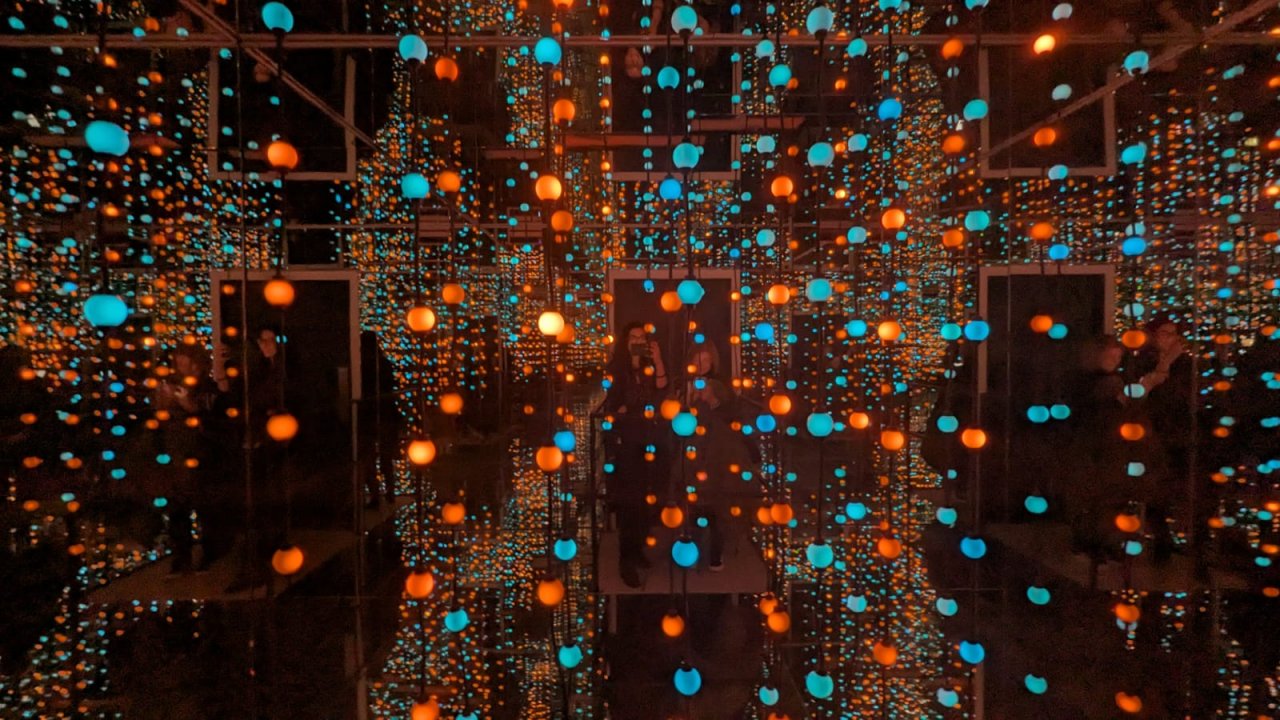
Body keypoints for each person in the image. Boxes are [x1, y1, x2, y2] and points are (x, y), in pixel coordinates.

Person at [601, 321, 669, 588]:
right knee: (630, 501)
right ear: (625, 340)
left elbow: (663, 390)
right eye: (633, 337)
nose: (638, 340)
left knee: (646, 501)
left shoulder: (650, 366)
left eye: (642, 337)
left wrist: (658, 359)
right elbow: (617, 401)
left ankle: (638, 549)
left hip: (652, 439)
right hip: (628, 441)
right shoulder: (616, 368)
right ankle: (625, 560)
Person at [153, 345, 224, 574]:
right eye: (178, 362)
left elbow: (210, 415)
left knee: (204, 506)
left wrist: (188, 405)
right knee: (177, 507)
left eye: (184, 362)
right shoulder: (171, 384)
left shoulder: (207, 388)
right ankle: (182, 556)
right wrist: (163, 400)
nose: (180, 366)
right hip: (175, 453)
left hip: (199, 453)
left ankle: (209, 553)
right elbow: (160, 415)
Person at [679, 340, 745, 571]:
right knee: (692, 499)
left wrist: (712, 400)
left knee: (717, 500)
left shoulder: (720, 385)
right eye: (698, 359)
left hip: (717, 451)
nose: (702, 364)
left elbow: (730, 414)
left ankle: (715, 552)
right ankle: (690, 547)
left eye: (707, 359)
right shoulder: (683, 384)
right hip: (691, 450)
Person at [358, 331, 400, 508]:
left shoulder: (362, 365)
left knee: (368, 458)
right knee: (385, 457)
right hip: (385, 414)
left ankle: (376, 493)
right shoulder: (384, 364)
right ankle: (389, 492)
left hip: (369, 415)